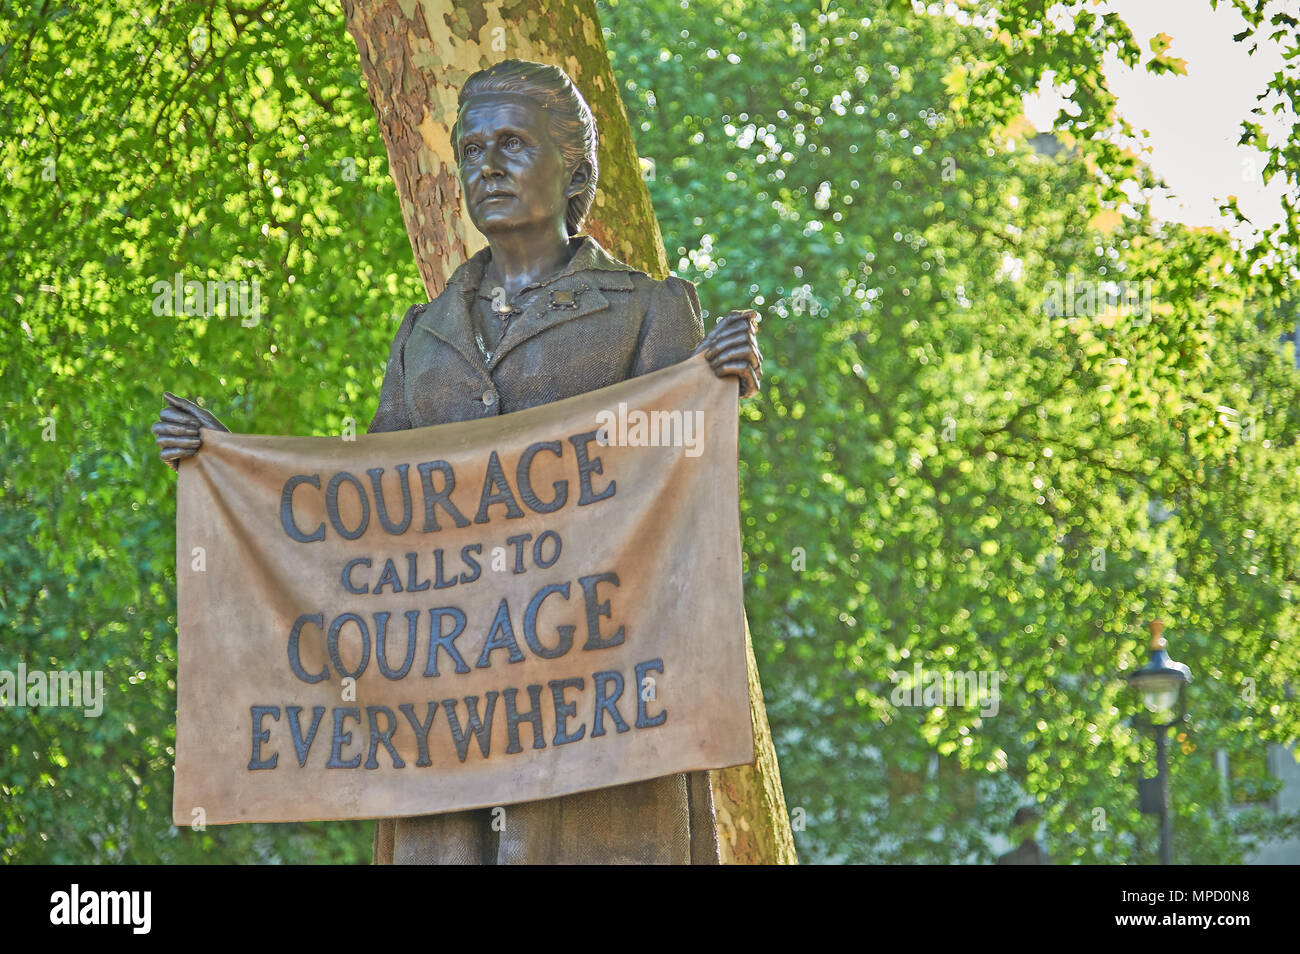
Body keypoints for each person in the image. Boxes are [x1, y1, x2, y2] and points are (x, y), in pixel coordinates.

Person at [154, 59, 762, 863]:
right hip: (441, 722)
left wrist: (713, 383)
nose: (488, 166)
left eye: (512, 145)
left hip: (595, 717)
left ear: (573, 168)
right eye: (472, 151)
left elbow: (682, 500)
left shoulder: (650, 310)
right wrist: (234, 468)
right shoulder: (422, 335)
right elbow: (364, 515)